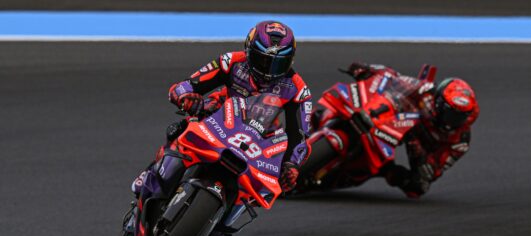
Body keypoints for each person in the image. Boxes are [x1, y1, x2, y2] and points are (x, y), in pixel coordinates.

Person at [133, 20, 313, 197]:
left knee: (271, 185)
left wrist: (292, 166)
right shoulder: (231, 62)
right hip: (216, 120)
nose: (268, 72)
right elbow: (184, 86)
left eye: (278, 64)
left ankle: (237, 206)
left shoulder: (298, 90)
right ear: (249, 51)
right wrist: (185, 98)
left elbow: (301, 137)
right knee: (178, 129)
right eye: (262, 60)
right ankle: (153, 173)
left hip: (256, 141)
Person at [316, 62, 479, 198]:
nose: (451, 119)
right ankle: (317, 120)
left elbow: (433, 171)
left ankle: (369, 171)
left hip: (411, 144)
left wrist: (418, 152)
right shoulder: (425, 91)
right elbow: (393, 77)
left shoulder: (459, 141)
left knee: (416, 187)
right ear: (438, 100)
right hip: (387, 118)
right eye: (449, 112)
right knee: (326, 110)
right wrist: (367, 70)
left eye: (458, 117)